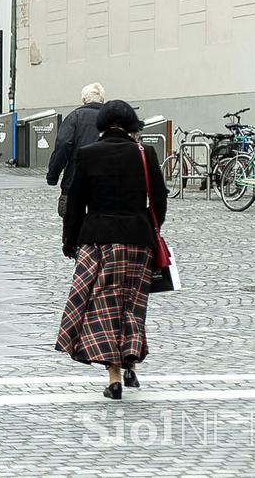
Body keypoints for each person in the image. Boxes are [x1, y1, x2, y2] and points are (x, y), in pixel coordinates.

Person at [56, 99, 168, 400]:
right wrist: (149, 227)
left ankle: (115, 378)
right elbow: (159, 199)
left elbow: (75, 205)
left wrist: (70, 241)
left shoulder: (88, 154)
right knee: (133, 305)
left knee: (105, 306)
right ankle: (131, 365)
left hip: (99, 241)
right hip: (138, 241)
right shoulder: (145, 154)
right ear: (132, 124)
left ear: (102, 124)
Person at [48, 83, 106, 217]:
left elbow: (63, 146)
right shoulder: (115, 120)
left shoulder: (75, 117)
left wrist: (53, 176)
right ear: (102, 100)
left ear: (84, 100)